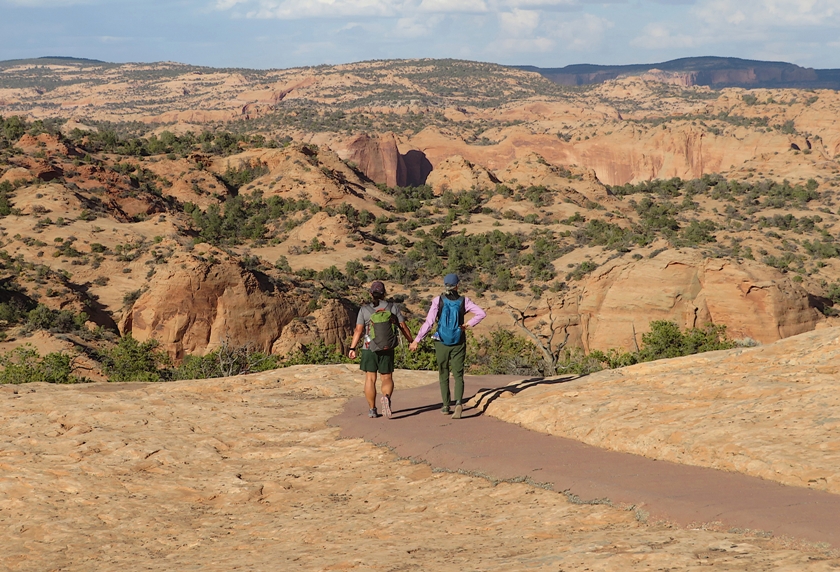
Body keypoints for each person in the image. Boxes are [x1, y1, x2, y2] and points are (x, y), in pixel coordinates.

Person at [409, 273, 486, 419]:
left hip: (441, 342)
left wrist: (417, 340)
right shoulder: (464, 301)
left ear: (445, 285)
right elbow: (481, 314)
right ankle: (458, 402)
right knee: (458, 374)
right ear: (458, 285)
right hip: (458, 341)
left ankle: (445, 405)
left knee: (443, 373)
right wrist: (467, 325)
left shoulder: (438, 300)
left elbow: (429, 323)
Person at [348, 281, 413, 419]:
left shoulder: (364, 310)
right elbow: (403, 326)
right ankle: (386, 397)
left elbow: (358, 330)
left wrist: (352, 348)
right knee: (387, 377)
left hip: (368, 347)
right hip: (387, 347)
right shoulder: (392, 307)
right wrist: (411, 341)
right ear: (384, 294)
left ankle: (372, 409)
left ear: (371, 294)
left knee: (370, 378)